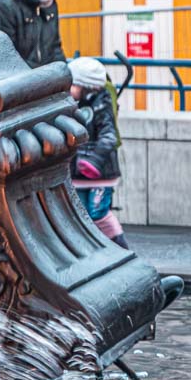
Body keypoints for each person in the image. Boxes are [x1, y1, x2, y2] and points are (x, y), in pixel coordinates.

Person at [68, 56, 129, 249]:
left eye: (73, 85)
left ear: (85, 86)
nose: (69, 89)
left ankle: (121, 249)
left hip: (100, 172)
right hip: (79, 173)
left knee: (98, 212)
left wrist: (94, 160)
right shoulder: (71, 104)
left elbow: (108, 135)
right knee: (81, 214)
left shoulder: (101, 104)